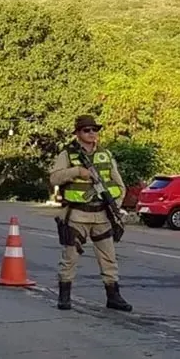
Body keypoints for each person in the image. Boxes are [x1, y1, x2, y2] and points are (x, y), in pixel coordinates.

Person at [49, 115, 132, 312]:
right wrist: (77, 171)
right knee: (70, 257)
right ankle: (64, 296)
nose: (92, 133)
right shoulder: (68, 155)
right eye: (87, 130)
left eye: (95, 129)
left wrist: (115, 206)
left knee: (109, 258)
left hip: (102, 215)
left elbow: (119, 185)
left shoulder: (105, 155)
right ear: (78, 133)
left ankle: (113, 296)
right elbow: (54, 178)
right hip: (77, 214)